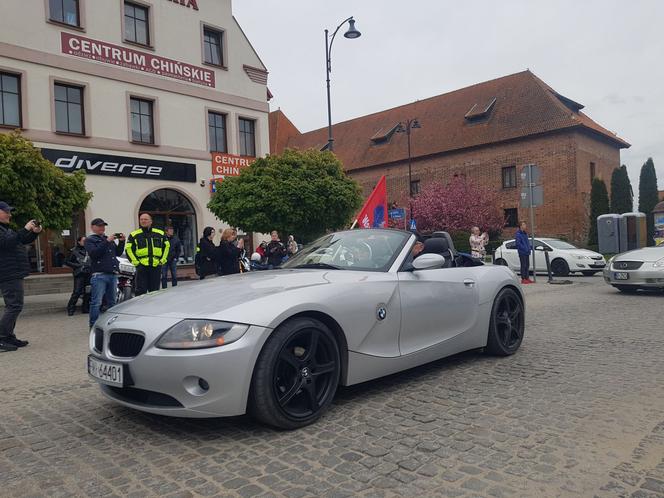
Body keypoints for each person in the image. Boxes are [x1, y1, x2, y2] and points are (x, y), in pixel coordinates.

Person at [0, 202, 41, 352]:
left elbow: (21, 240)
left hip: (14, 272)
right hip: (7, 273)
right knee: (14, 306)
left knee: (15, 305)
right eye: (7, 212)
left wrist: (35, 232)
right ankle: (2, 337)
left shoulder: (5, 228)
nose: (10, 215)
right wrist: (25, 229)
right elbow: (6, 243)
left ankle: (8, 336)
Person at [85, 218, 126, 329]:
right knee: (96, 302)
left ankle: (111, 325)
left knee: (112, 302)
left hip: (112, 274)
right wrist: (107, 241)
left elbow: (117, 252)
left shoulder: (107, 239)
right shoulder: (90, 240)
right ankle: (93, 326)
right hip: (99, 275)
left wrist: (122, 241)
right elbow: (94, 253)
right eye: (99, 226)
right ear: (92, 227)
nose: (102, 228)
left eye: (103, 226)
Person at [126, 213, 169, 296]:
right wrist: (136, 263)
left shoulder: (160, 233)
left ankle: (154, 308)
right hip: (142, 266)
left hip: (155, 265)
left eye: (145, 219)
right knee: (140, 291)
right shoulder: (134, 235)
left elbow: (166, 247)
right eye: (141, 219)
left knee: (155, 291)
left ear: (151, 221)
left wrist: (162, 260)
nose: (143, 221)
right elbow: (129, 249)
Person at [65, 236, 91, 316]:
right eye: (83, 241)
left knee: (88, 292)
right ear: (79, 242)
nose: (85, 242)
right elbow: (67, 262)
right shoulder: (74, 251)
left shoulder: (89, 250)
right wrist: (78, 265)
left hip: (89, 272)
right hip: (79, 274)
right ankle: (71, 308)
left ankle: (85, 308)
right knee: (77, 292)